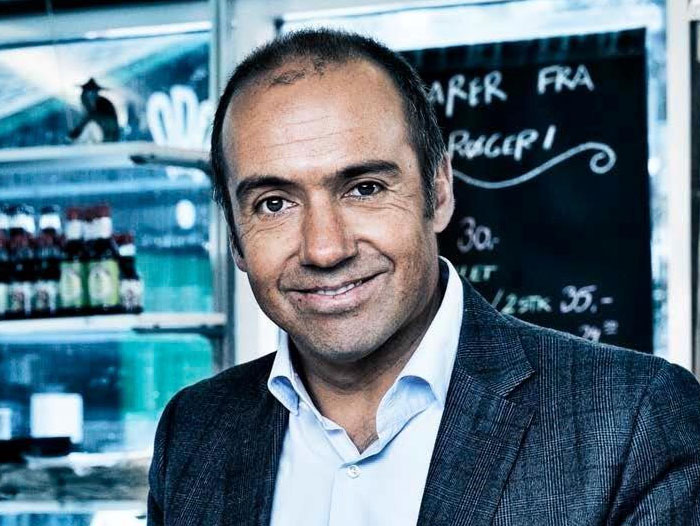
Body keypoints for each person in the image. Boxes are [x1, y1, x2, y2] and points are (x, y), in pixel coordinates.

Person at [147, 29, 700, 526]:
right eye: (274, 203)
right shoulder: (194, 430)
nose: (324, 248)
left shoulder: (634, 421)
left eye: (364, 188)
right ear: (234, 236)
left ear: (438, 192)